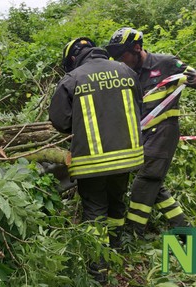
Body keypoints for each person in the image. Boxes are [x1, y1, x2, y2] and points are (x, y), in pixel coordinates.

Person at [105, 27, 196, 238]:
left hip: (163, 132)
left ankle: (134, 234)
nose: (120, 59)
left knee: (144, 180)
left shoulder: (165, 63)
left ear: (137, 48)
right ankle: (185, 231)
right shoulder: (125, 71)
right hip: (140, 134)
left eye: (123, 54)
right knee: (154, 184)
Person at [49, 37, 144, 284]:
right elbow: (138, 105)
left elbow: (60, 121)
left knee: (94, 213)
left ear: (72, 58)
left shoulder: (72, 78)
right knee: (117, 204)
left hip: (91, 162)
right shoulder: (126, 70)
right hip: (127, 157)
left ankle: (97, 270)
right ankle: (115, 252)